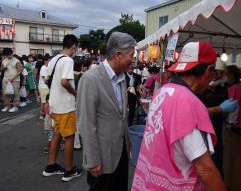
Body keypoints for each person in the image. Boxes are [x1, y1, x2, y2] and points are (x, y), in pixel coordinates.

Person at [132, 42, 226, 191]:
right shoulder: (189, 102)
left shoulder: (162, 91)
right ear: (208, 70)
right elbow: (205, 170)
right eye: (214, 72)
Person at [77, 32, 136, 191]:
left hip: (121, 151)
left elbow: (122, 115)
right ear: (118, 54)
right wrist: (92, 160)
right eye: (131, 55)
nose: (133, 59)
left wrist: (128, 141)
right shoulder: (91, 79)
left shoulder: (122, 77)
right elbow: (85, 123)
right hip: (101, 157)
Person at [42, 34, 82, 182]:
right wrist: (76, 93)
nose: (75, 50)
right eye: (76, 48)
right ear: (73, 46)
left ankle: (51, 166)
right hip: (66, 106)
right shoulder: (68, 60)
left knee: (57, 135)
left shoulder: (54, 59)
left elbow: (47, 80)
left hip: (54, 105)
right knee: (70, 137)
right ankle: (69, 171)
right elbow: (65, 81)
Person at [0, 48, 22, 112]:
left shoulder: (17, 61)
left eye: (9, 54)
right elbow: (1, 69)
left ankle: (15, 106)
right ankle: (7, 106)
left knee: (16, 93)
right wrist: (3, 68)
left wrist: (12, 78)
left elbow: (19, 71)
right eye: (6, 55)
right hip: (6, 79)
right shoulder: (4, 60)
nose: (8, 56)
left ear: (12, 53)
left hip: (15, 80)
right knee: (5, 93)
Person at [38, 55, 50, 119]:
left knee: (45, 101)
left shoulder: (47, 67)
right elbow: (45, 79)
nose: (49, 61)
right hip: (43, 87)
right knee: (44, 101)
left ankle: (44, 114)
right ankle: (42, 114)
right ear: (45, 61)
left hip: (45, 87)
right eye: (48, 60)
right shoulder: (43, 68)